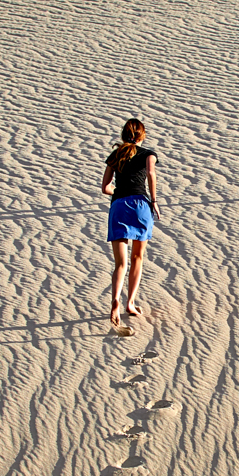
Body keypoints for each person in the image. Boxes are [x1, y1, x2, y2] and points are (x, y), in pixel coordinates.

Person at [100, 118, 159, 328]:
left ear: (124, 135)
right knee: (137, 257)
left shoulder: (115, 155)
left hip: (118, 206)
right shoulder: (148, 154)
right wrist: (154, 201)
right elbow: (151, 174)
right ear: (142, 136)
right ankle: (130, 303)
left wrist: (118, 193)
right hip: (141, 205)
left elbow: (105, 187)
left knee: (120, 263)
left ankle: (115, 299)